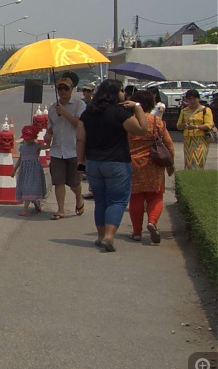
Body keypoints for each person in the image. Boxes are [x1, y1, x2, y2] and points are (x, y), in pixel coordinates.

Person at [76, 79, 148, 252]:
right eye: (122, 90)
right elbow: (142, 129)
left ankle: (100, 237)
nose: (123, 94)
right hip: (117, 163)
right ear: (115, 93)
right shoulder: (120, 112)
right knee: (116, 201)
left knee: (100, 201)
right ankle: (109, 236)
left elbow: (80, 139)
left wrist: (80, 162)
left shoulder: (88, 113)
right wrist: (137, 107)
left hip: (94, 163)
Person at [127, 90, 175, 244]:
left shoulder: (128, 121)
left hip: (132, 163)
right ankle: (152, 222)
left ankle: (136, 232)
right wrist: (170, 164)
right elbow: (169, 144)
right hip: (154, 164)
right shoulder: (157, 122)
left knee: (136, 197)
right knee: (155, 196)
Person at [45, 73, 87, 220]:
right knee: (58, 181)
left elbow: (79, 124)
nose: (63, 91)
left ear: (72, 89)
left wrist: (64, 112)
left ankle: (79, 198)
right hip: (57, 150)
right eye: (60, 88)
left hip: (74, 150)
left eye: (66, 88)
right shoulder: (52, 109)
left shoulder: (79, 105)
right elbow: (50, 127)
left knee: (74, 183)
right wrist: (47, 135)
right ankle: (61, 209)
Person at [11, 125, 47, 216]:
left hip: (34, 170)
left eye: (29, 138)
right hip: (24, 170)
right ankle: (34, 203)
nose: (27, 140)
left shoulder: (37, 146)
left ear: (35, 137)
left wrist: (48, 138)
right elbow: (20, 159)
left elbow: (47, 146)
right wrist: (14, 170)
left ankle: (26, 208)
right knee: (26, 187)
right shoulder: (22, 147)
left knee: (30, 187)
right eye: (26, 138)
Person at [176, 89, 214, 169]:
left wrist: (196, 127)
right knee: (189, 162)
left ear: (198, 99)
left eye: (194, 98)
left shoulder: (205, 110)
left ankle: (198, 178)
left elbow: (208, 125)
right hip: (188, 140)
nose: (192, 101)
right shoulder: (184, 111)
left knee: (198, 161)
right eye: (189, 99)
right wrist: (184, 125)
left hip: (201, 139)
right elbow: (178, 126)